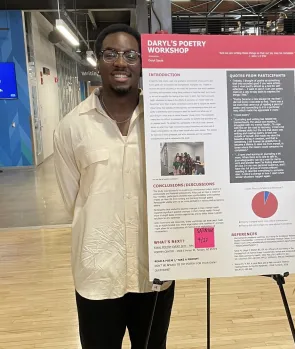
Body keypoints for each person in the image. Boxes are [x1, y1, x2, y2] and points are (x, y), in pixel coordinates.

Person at [53, 24, 174, 349]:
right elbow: (72, 201)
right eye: (111, 54)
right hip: (97, 275)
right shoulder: (72, 127)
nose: (121, 62)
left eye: (130, 54)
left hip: (154, 274)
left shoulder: (167, 121)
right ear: (98, 61)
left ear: (141, 63)